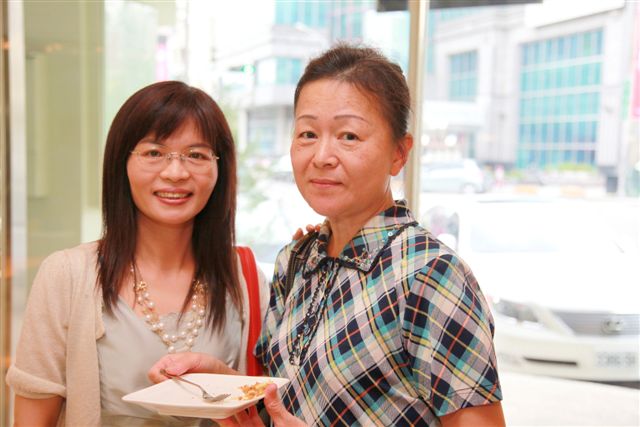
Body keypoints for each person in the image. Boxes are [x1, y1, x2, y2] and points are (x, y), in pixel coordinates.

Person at [150, 44, 505, 426]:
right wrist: (221, 380)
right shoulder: (297, 260)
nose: (321, 156)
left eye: (349, 136)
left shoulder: (430, 274)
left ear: (399, 153)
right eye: (307, 133)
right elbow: (285, 401)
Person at [6, 81, 270, 426]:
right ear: (122, 163)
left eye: (196, 155)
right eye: (154, 153)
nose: (175, 173)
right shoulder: (66, 275)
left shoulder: (245, 277)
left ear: (220, 169)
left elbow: (271, 409)